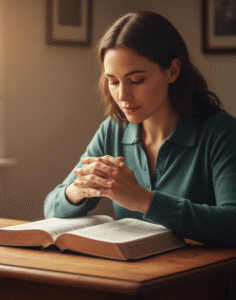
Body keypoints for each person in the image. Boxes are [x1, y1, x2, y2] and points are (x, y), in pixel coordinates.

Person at [44, 11, 236, 247]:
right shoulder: (112, 131)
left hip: (201, 279)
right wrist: (78, 190)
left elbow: (232, 223)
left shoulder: (221, 132)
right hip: (131, 277)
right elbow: (52, 207)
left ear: (173, 71)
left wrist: (144, 200)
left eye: (136, 80)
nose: (122, 96)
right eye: (113, 81)